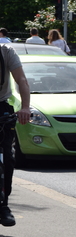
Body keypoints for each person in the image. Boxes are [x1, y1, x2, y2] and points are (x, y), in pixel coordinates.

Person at [0, 44, 31, 226]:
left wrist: (25, 107)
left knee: (7, 159)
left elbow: (21, 80)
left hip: (2, 106)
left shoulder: (6, 51)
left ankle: (3, 205)